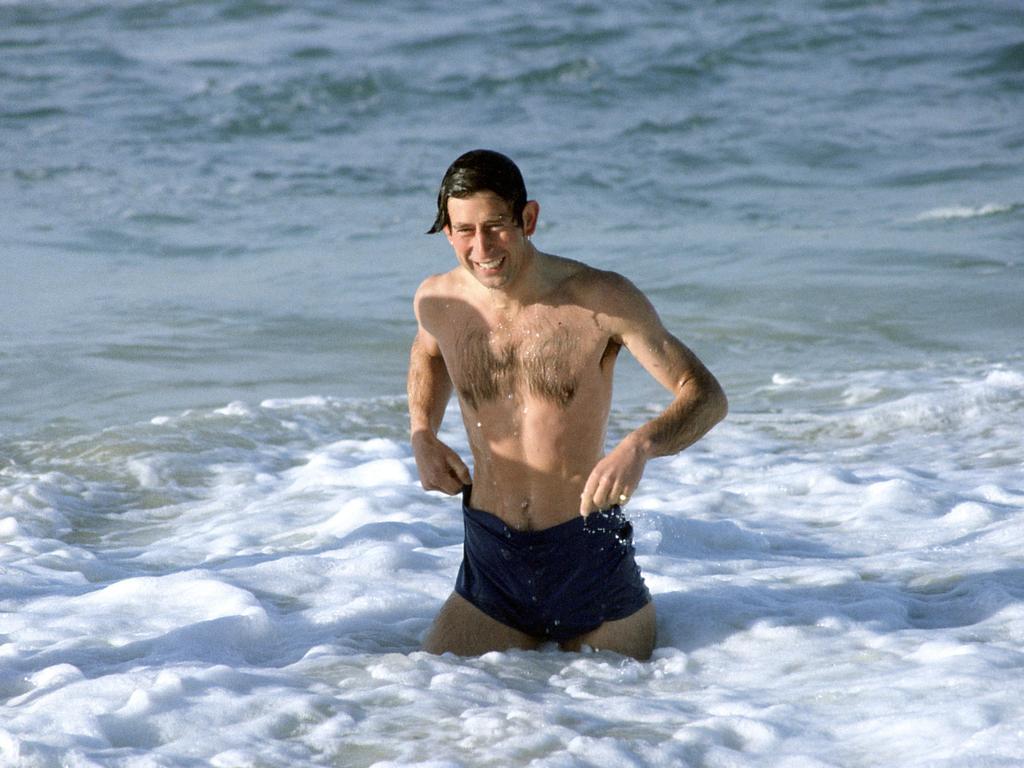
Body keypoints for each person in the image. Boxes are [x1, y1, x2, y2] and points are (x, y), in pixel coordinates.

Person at [408, 149, 727, 660]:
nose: (482, 247)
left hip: (587, 557)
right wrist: (422, 431)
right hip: (492, 562)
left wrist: (642, 444)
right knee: (429, 701)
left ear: (528, 219)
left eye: (496, 226)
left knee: (624, 718)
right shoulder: (437, 301)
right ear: (447, 231)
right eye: (464, 230)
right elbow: (428, 353)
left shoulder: (600, 299)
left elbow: (705, 396)